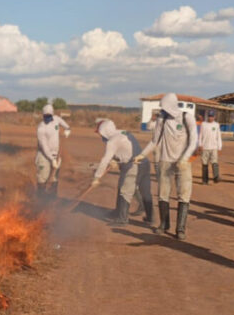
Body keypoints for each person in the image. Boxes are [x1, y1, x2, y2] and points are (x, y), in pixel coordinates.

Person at [135, 93, 197, 240]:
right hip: (165, 160)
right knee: (163, 193)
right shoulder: (162, 119)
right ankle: (164, 224)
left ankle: (180, 229)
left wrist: (184, 159)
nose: (163, 109)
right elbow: (154, 141)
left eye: (165, 106)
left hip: (183, 163)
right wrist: (142, 155)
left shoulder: (187, 117)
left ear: (171, 105)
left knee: (184, 195)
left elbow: (194, 141)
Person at [90, 119, 153, 226]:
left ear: (105, 131)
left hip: (133, 165)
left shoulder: (112, 141)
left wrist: (97, 177)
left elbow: (105, 160)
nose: (100, 136)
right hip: (144, 163)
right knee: (144, 191)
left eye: (100, 133)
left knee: (125, 191)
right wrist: (116, 159)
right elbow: (126, 149)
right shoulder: (123, 132)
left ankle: (122, 219)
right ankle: (149, 218)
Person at [35, 104, 71, 200]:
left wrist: (68, 130)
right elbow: (44, 146)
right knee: (42, 178)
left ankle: (52, 200)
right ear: (43, 115)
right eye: (45, 116)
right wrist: (52, 159)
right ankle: (40, 201)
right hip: (44, 156)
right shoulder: (41, 128)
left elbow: (66, 126)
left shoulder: (56, 119)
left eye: (49, 116)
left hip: (56, 154)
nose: (47, 118)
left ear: (52, 115)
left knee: (54, 178)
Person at [198, 110, 223, 184]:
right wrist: (200, 145)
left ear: (214, 117)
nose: (210, 118)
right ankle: (205, 180)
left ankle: (216, 177)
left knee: (215, 162)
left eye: (212, 116)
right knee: (205, 164)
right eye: (209, 116)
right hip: (205, 147)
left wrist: (219, 147)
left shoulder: (216, 125)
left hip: (214, 147)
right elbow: (200, 135)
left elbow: (218, 136)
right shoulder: (203, 124)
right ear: (207, 116)